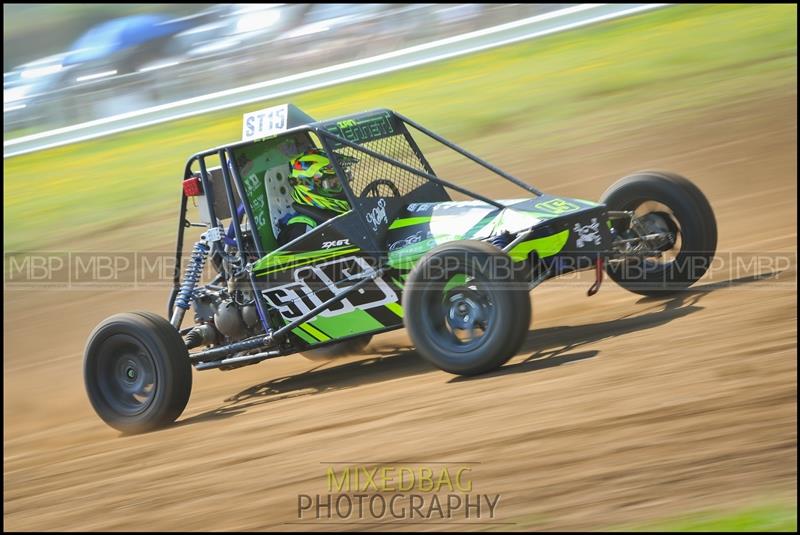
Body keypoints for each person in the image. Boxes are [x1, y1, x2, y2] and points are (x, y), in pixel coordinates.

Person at [277, 148, 352, 245]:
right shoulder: (302, 229)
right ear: (307, 185)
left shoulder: (335, 212)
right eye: (333, 183)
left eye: (342, 178)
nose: (342, 185)